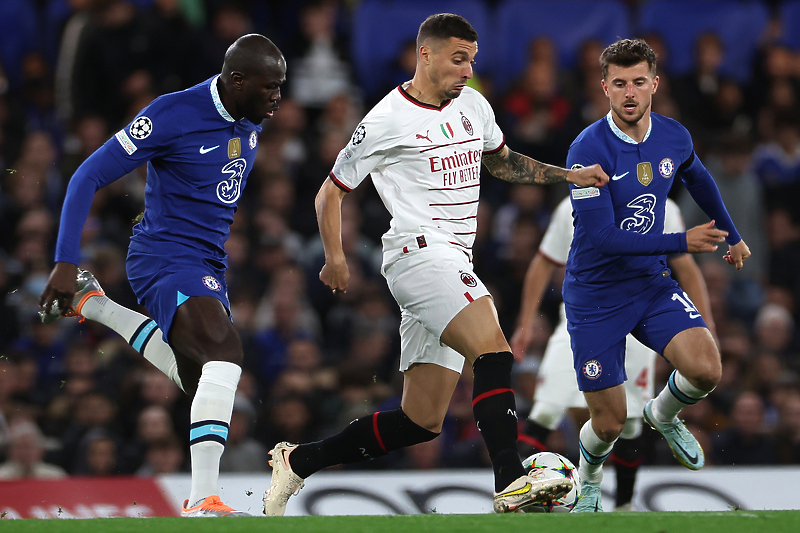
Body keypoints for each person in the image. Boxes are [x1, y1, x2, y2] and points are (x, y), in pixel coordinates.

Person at [261, 13, 608, 516]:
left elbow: (503, 161)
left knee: (420, 420)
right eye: (457, 58)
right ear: (424, 54)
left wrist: (568, 175)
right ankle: (511, 480)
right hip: (418, 253)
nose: (467, 70)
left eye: (471, 59)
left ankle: (298, 463)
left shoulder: (474, 104)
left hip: (452, 259)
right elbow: (327, 194)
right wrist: (335, 257)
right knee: (494, 349)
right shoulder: (385, 119)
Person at [38, 34, 286, 517]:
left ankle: (97, 305)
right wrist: (65, 260)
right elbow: (85, 176)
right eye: (269, 87)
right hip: (164, 255)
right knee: (225, 351)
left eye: (280, 86)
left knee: (200, 380)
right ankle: (203, 499)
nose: (277, 96)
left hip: (208, 261)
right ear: (237, 81)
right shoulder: (171, 114)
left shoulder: (248, 117)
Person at [561, 39, 750, 513]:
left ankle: (663, 414)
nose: (630, 92)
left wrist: (732, 234)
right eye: (619, 83)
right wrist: (680, 241)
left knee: (706, 368)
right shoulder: (587, 149)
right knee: (608, 425)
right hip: (595, 295)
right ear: (604, 87)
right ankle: (587, 480)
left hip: (648, 283)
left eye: (638, 82)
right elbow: (604, 238)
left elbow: (699, 179)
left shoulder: (674, 136)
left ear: (654, 85)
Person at [510, 196, 714, 510]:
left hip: (642, 316)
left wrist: (704, 323)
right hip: (583, 319)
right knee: (548, 409)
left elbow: (684, 267)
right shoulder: (572, 205)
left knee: (629, 422)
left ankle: (623, 506)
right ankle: (514, 495)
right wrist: (524, 324)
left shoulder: (664, 208)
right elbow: (544, 260)